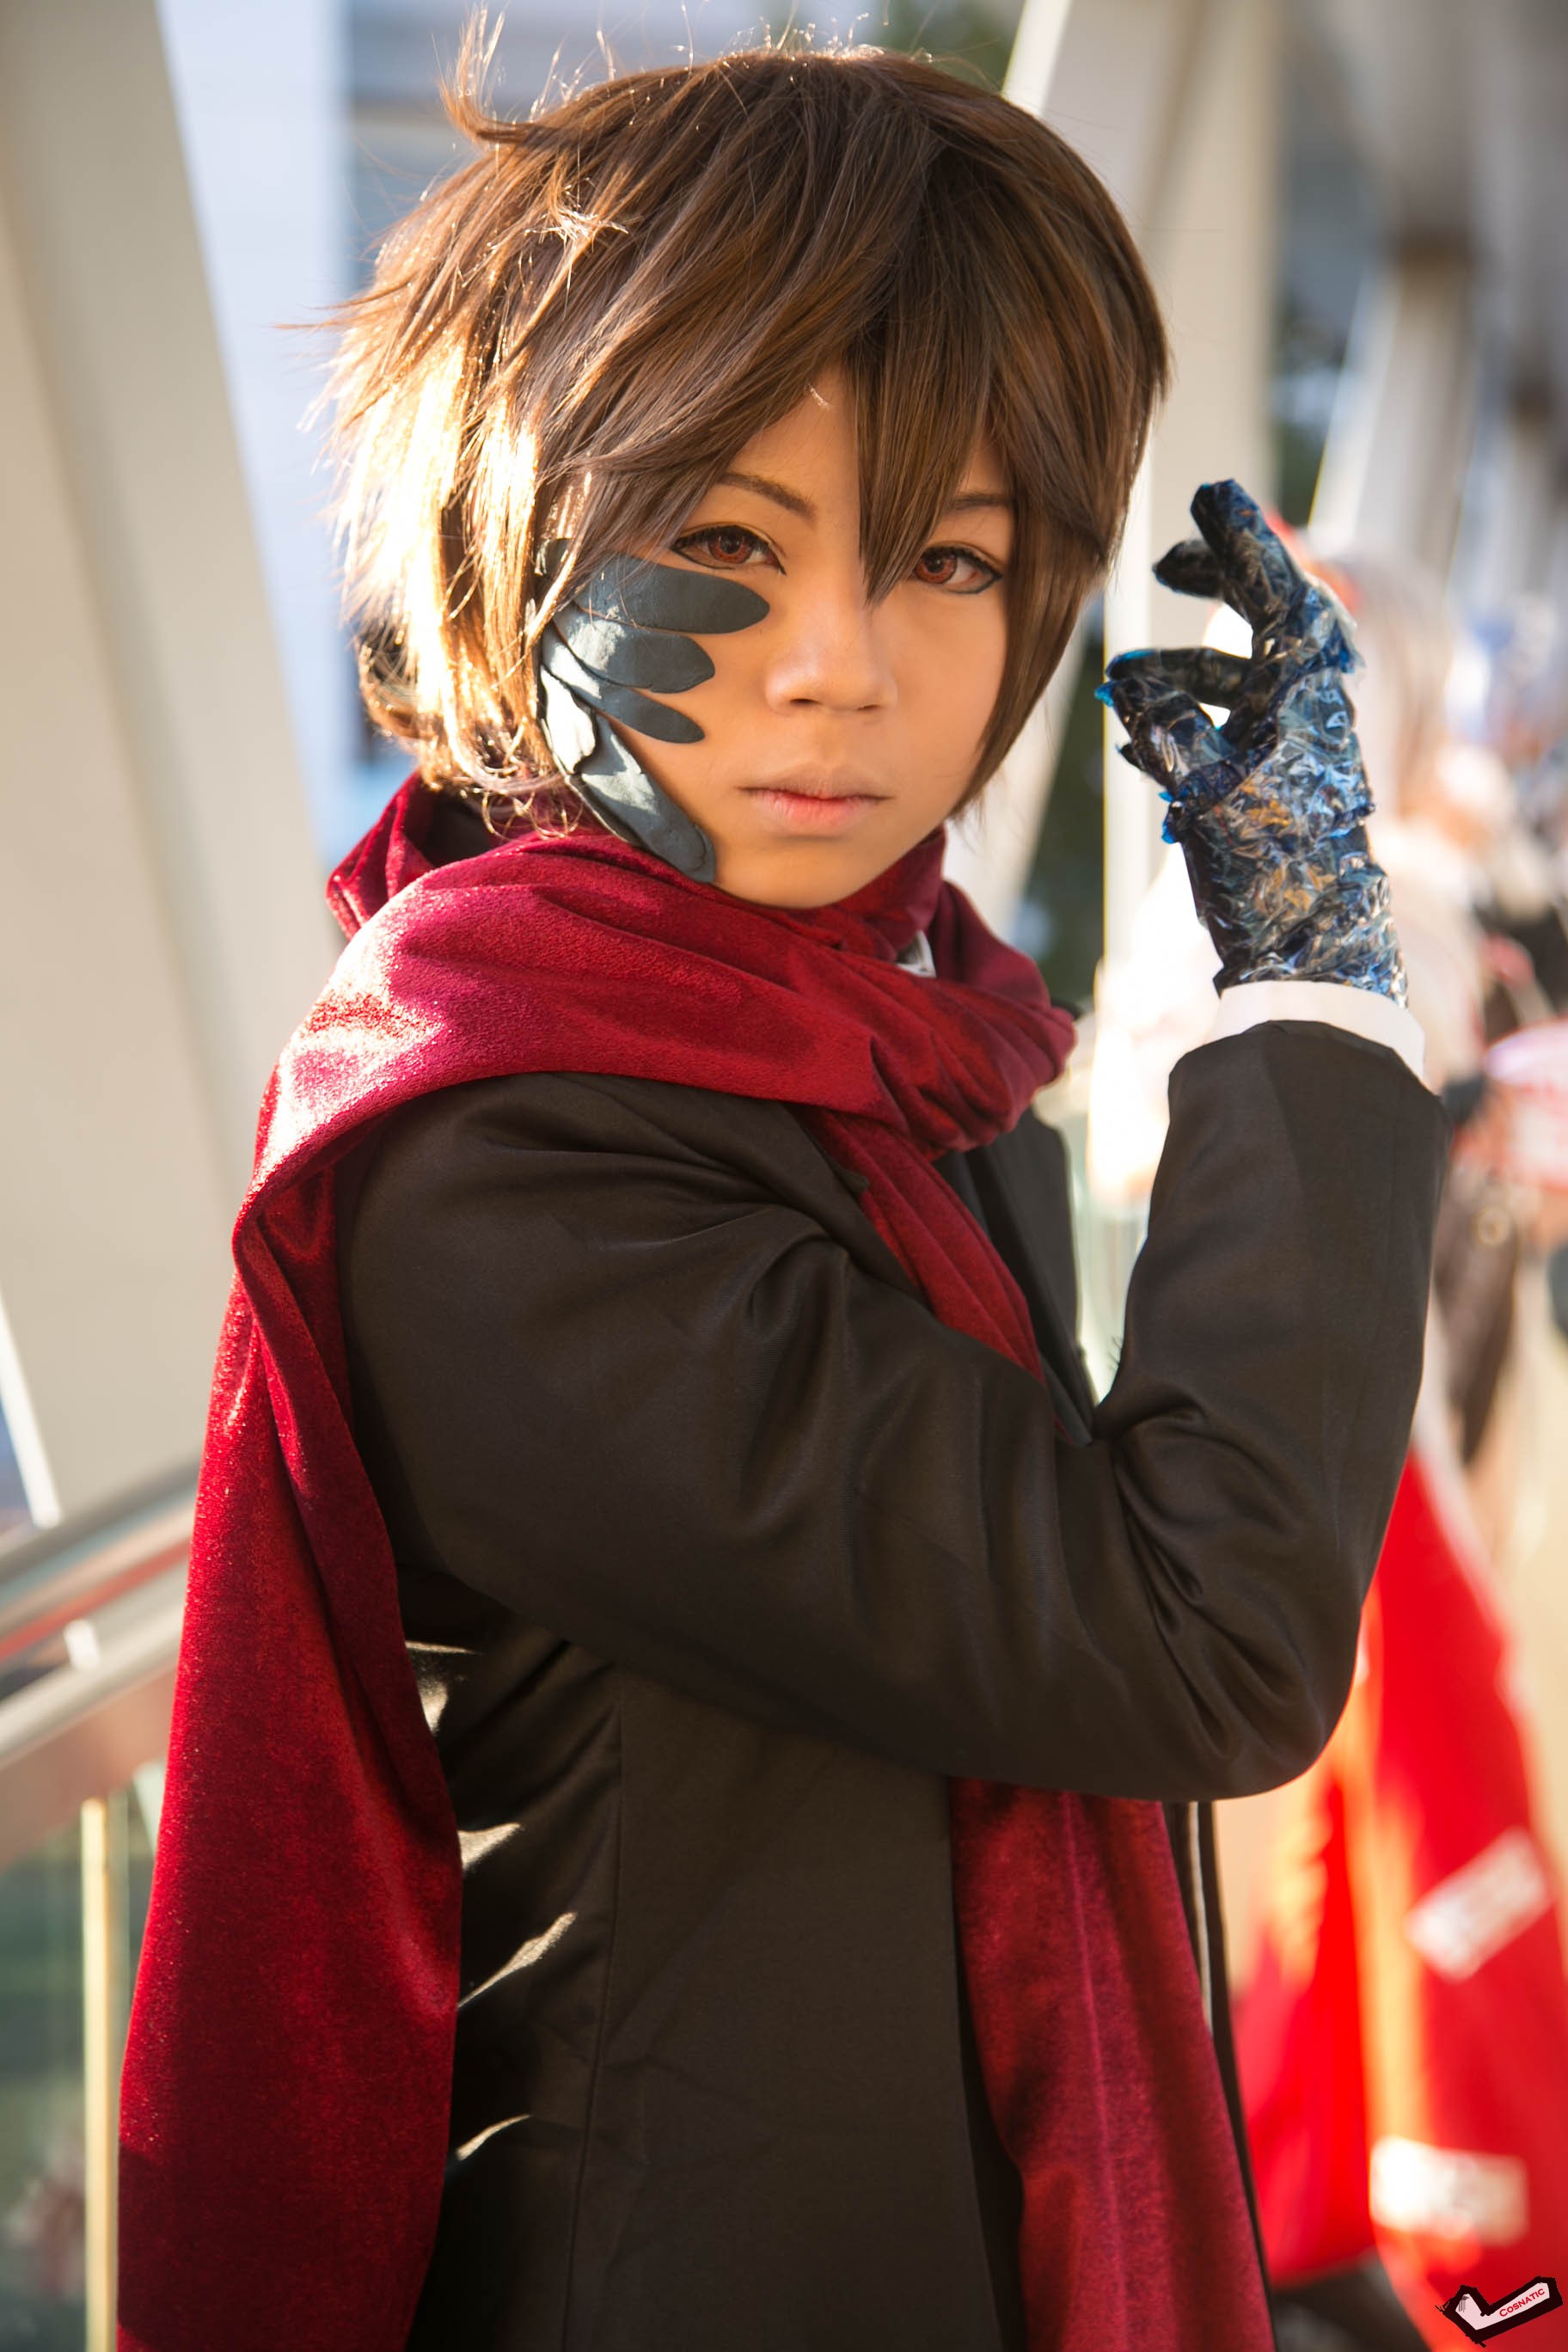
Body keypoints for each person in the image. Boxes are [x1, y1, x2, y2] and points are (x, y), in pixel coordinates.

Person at [116, 45, 1449, 2352]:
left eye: (948, 559)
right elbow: (1194, 1633)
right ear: (515, 537)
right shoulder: (500, 1152)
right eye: (728, 546)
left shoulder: (881, 1030)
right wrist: (1310, 973)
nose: (843, 668)